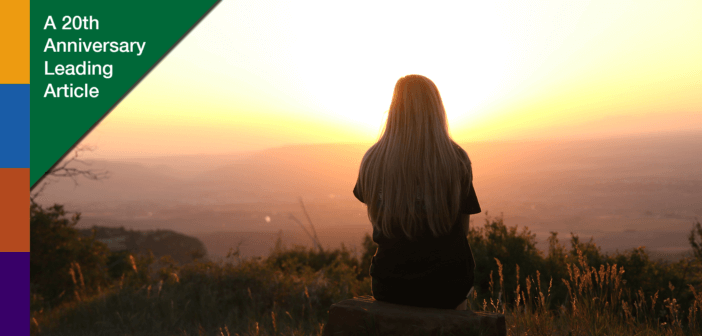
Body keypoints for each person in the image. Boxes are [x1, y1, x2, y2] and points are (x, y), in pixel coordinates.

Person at [353, 74, 481, 310]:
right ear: (437, 110)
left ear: (394, 109)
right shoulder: (457, 161)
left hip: (389, 284)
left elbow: (378, 218)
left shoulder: (372, 160)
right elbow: (462, 231)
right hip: (448, 285)